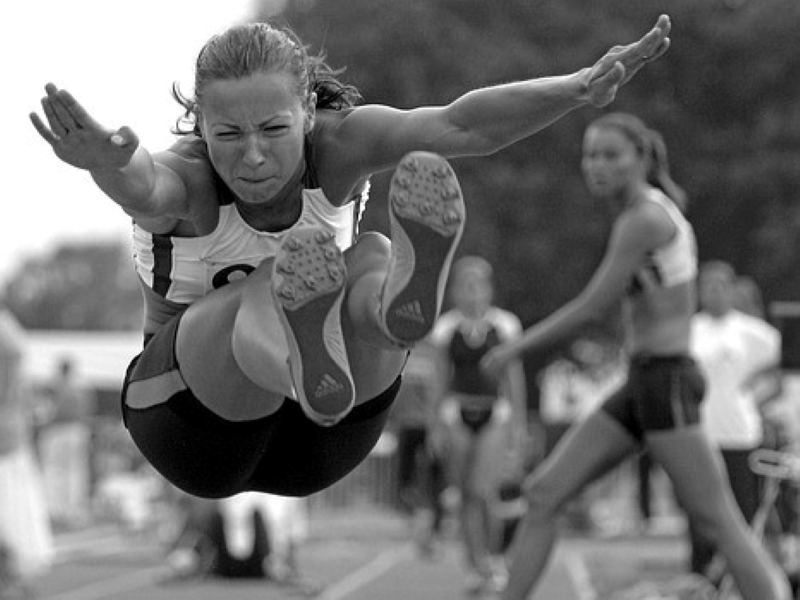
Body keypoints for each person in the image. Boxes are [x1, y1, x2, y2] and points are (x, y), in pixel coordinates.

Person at [30, 16, 672, 501]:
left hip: (329, 433)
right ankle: (307, 359)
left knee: (374, 251)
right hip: (190, 429)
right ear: (202, 127)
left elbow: (461, 126)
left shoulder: (341, 147)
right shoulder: (189, 184)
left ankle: (393, 317)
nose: (251, 157)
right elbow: (145, 184)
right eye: (227, 135)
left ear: (308, 111)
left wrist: (577, 88)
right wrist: (108, 165)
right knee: (276, 278)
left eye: (273, 130)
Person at [481, 113, 791, 600]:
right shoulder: (637, 213)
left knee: (720, 523)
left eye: (611, 155)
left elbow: (592, 307)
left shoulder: (643, 218)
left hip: (666, 383)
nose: (597, 166)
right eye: (590, 155)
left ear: (641, 159)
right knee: (543, 494)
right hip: (641, 383)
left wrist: (514, 349)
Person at [428, 256, 528, 595]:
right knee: (467, 493)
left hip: (494, 414)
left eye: (478, 285)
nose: (472, 292)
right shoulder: (446, 328)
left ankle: (495, 557)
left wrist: (519, 425)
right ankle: (474, 565)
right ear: (455, 290)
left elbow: (514, 378)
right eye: (465, 285)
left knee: (485, 490)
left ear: (488, 289)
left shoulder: (505, 326)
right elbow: (438, 379)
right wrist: (434, 427)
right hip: (457, 412)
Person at [690, 261, 782, 575]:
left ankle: (742, 578)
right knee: (700, 514)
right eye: (707, 285)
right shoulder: (690, 330)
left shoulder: (752, 332)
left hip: (741, 435)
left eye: (720, 285)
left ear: (731, 290)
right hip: (700, 436)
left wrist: (751, 398)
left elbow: (779, 370)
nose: (714, 292)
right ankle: (702, 578)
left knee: (742, 513)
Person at [0, 307, 54, 598]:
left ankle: (16, 576)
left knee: (13, 520)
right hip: (10, 441)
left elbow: (14, 354)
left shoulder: (5, 328)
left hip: (6, 444)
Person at [38, 356, 96, 528]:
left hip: (62, 430)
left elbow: (55, 412)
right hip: (77, 430)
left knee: (56, 471)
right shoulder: (82, 387)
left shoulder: (59, 387)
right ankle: (70, 511)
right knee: (74, 472)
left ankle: (57, 510)